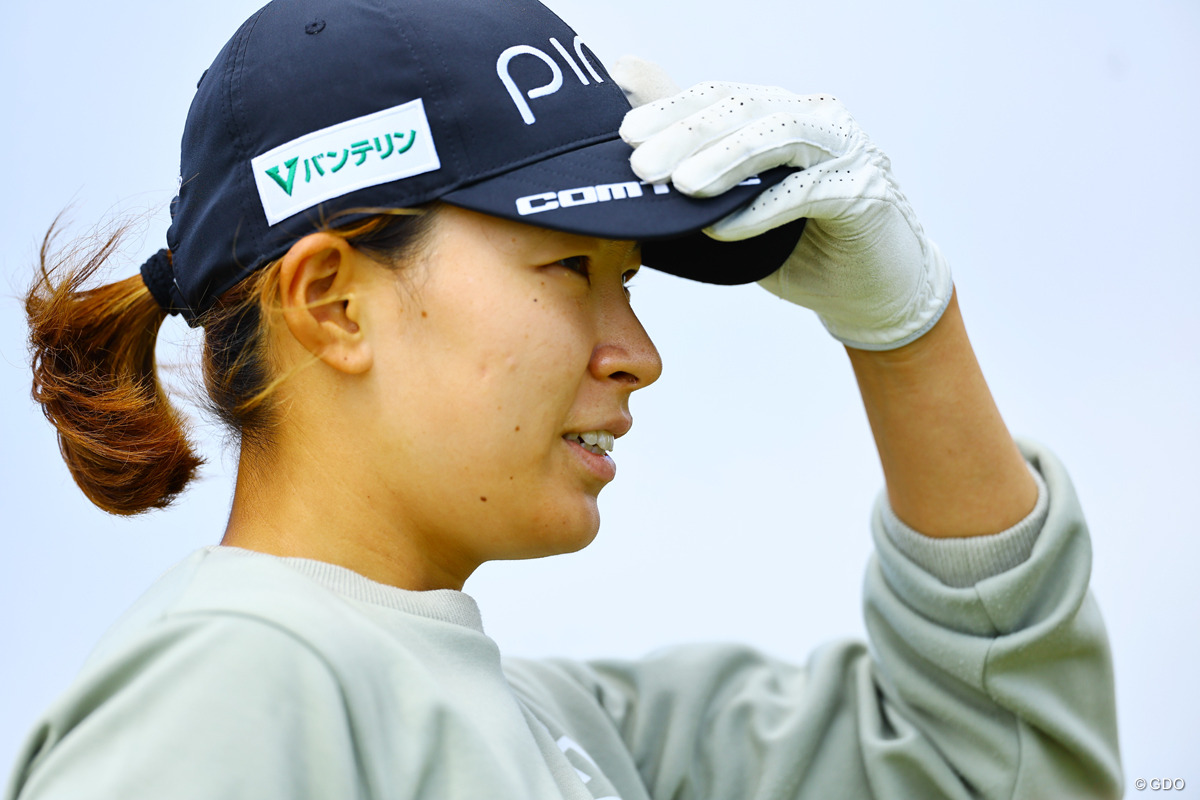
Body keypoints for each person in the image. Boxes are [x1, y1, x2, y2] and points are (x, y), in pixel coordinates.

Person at [7, 0, 1121, 797]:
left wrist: (907, 331)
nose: (638, 354)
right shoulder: (235, 681)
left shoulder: (568, 729)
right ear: (332, 302)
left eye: (626, 282)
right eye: (567, 269)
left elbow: (999, 764)